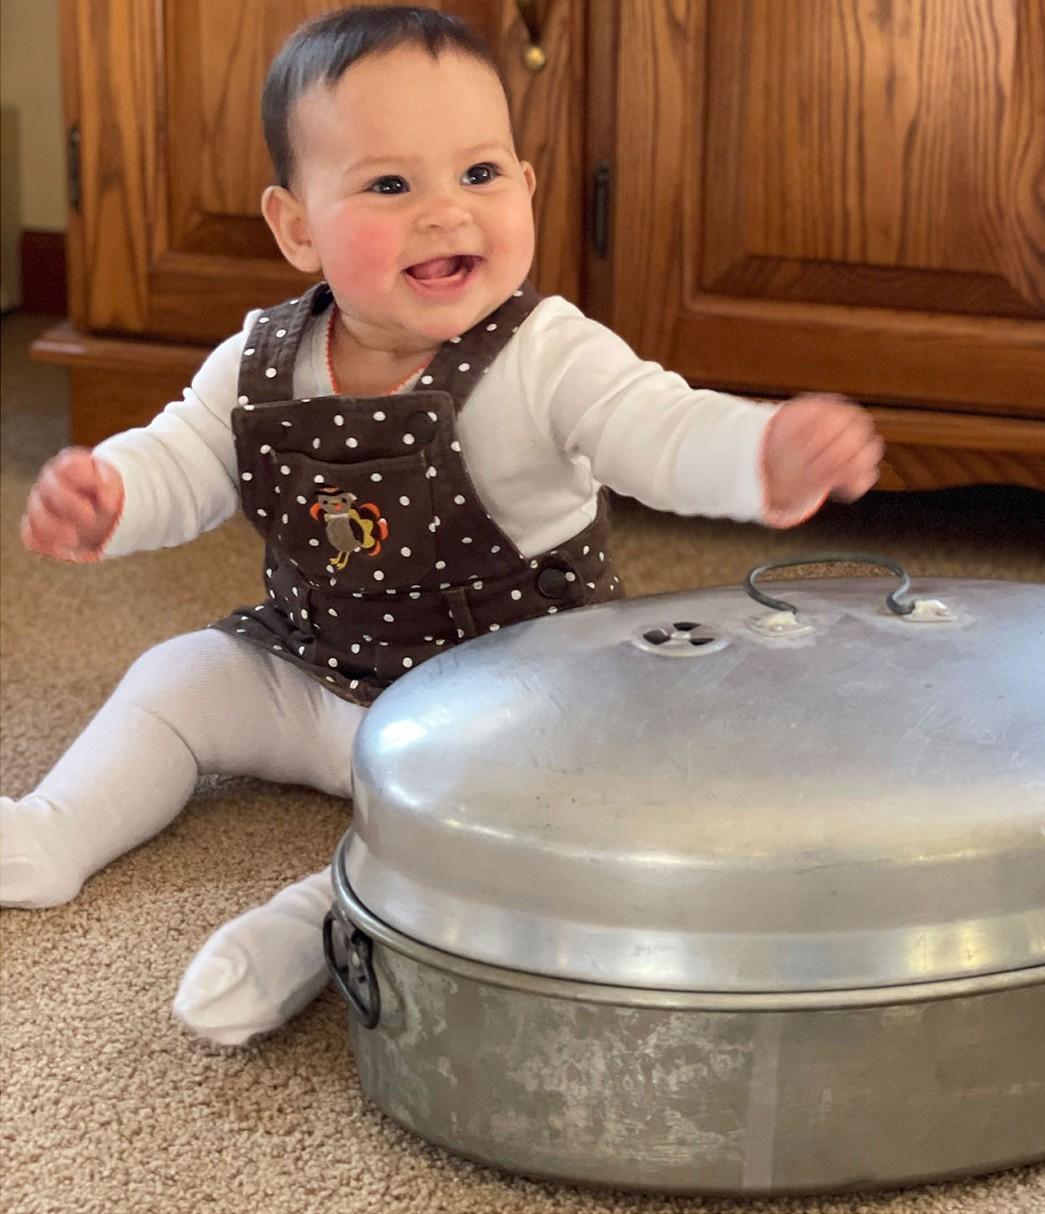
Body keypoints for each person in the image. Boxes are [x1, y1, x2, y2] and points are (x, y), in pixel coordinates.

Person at [2, 7, 884, 1045]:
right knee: (176, 677)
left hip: (503, 702)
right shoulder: (260, 357)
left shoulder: (546, 351)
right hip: (313, 667)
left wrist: (758, 453)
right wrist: (108, 493)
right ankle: (52, 830)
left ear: (527, 186)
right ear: (296, 226)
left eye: (478, 174)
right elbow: (185, 456)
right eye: (388, 184)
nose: (443, 213)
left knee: (535, 810)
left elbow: (658, 424)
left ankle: (321, 915)